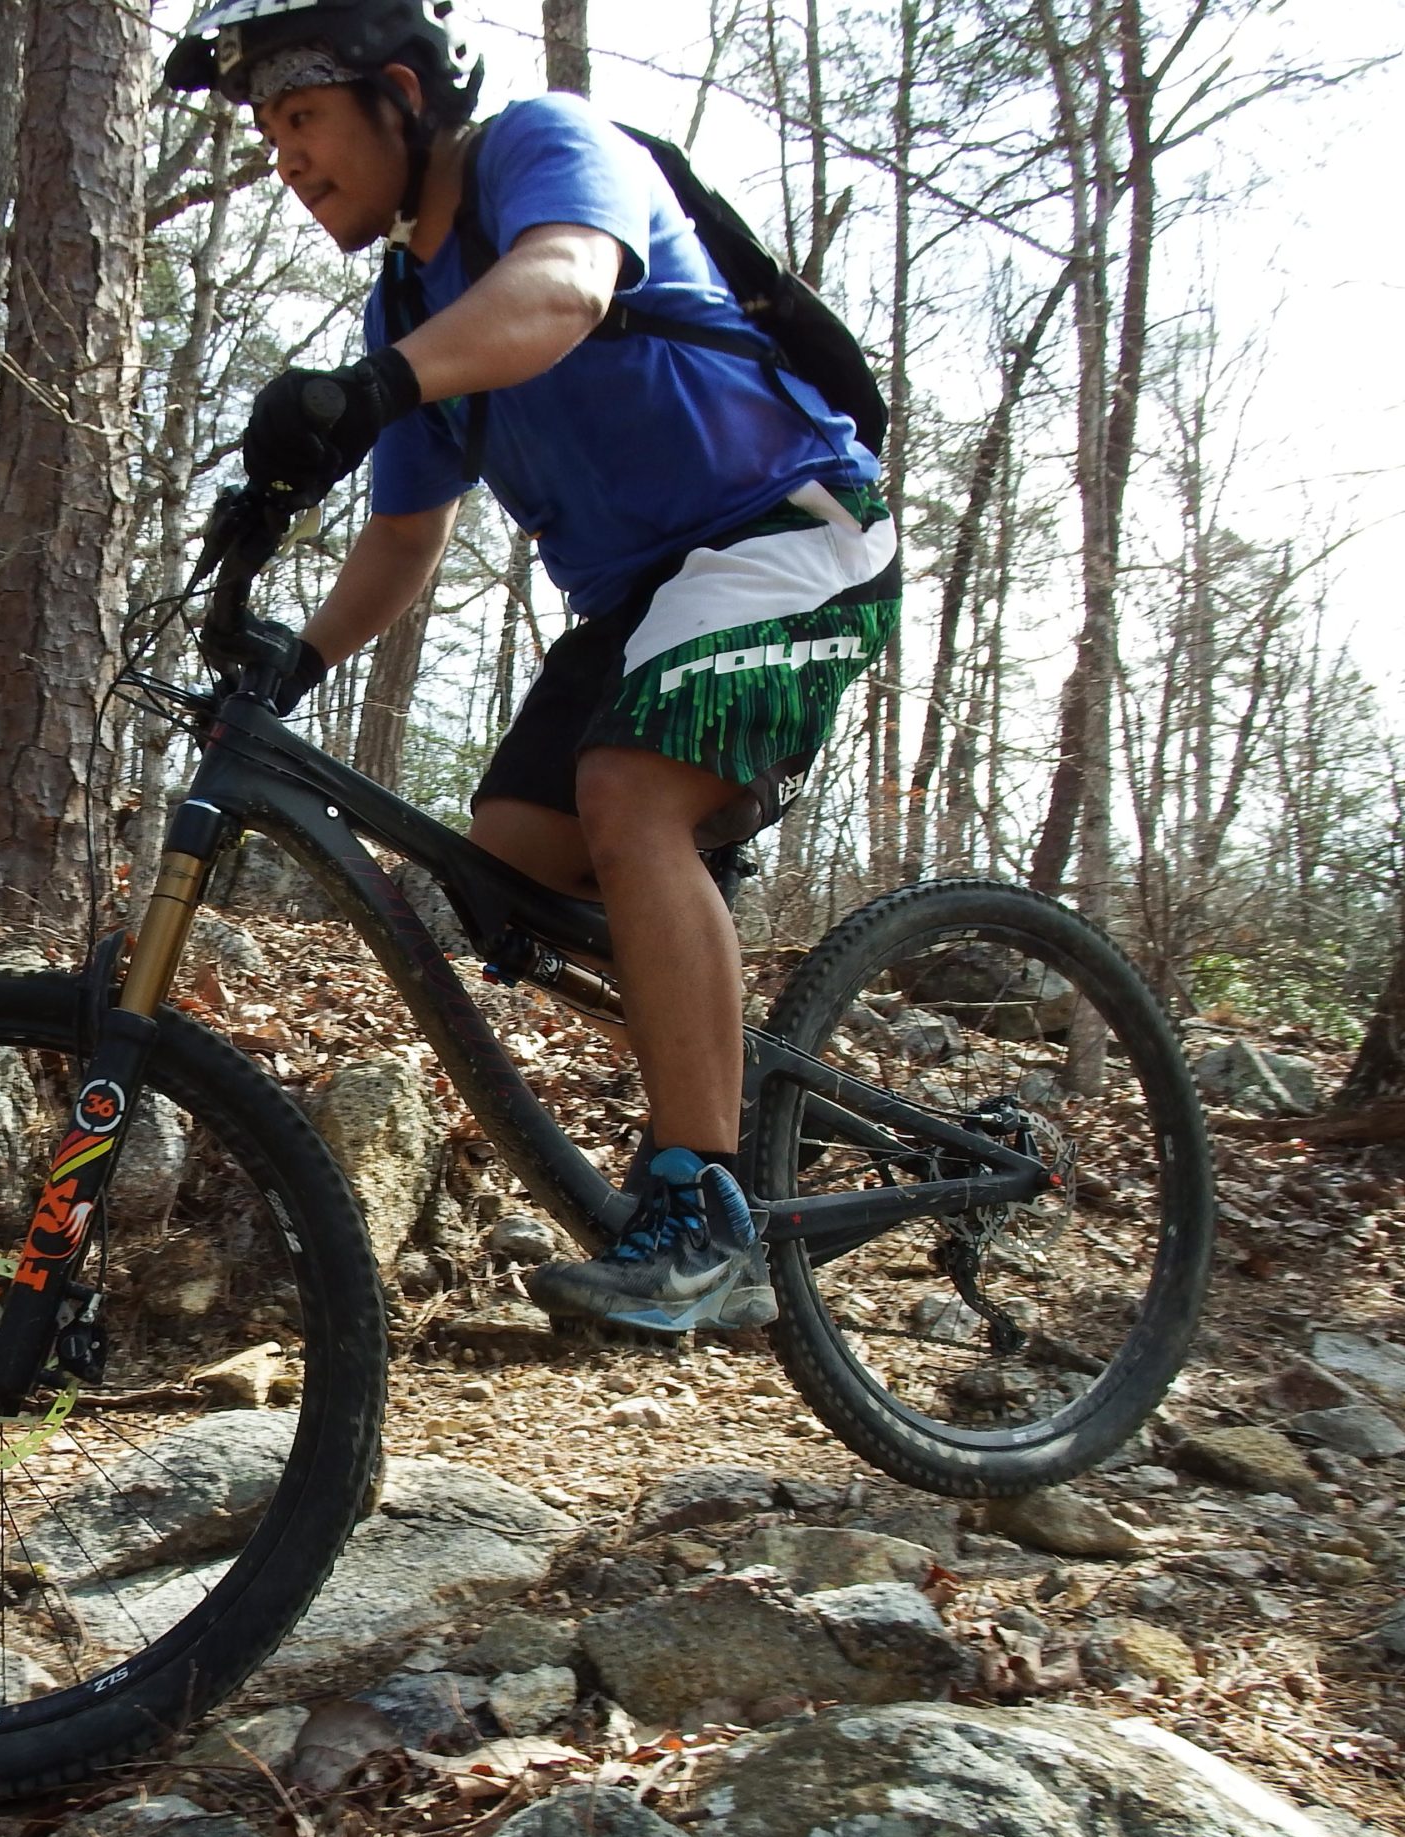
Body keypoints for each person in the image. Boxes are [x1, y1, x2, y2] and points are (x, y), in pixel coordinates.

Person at [166, 0, 900, 1334]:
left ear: (399, 95)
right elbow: (405, 532)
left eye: (303, 119)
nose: (288, 161)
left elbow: (565, 288)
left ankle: (701, 1200)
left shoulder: (541, 151)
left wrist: (373, 388)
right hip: (640, 601)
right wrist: (301, 654)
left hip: (789, 528)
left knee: (627, 797)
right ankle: (723, 1068)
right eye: (271, 137)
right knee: (501, 867)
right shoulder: (411, 288)